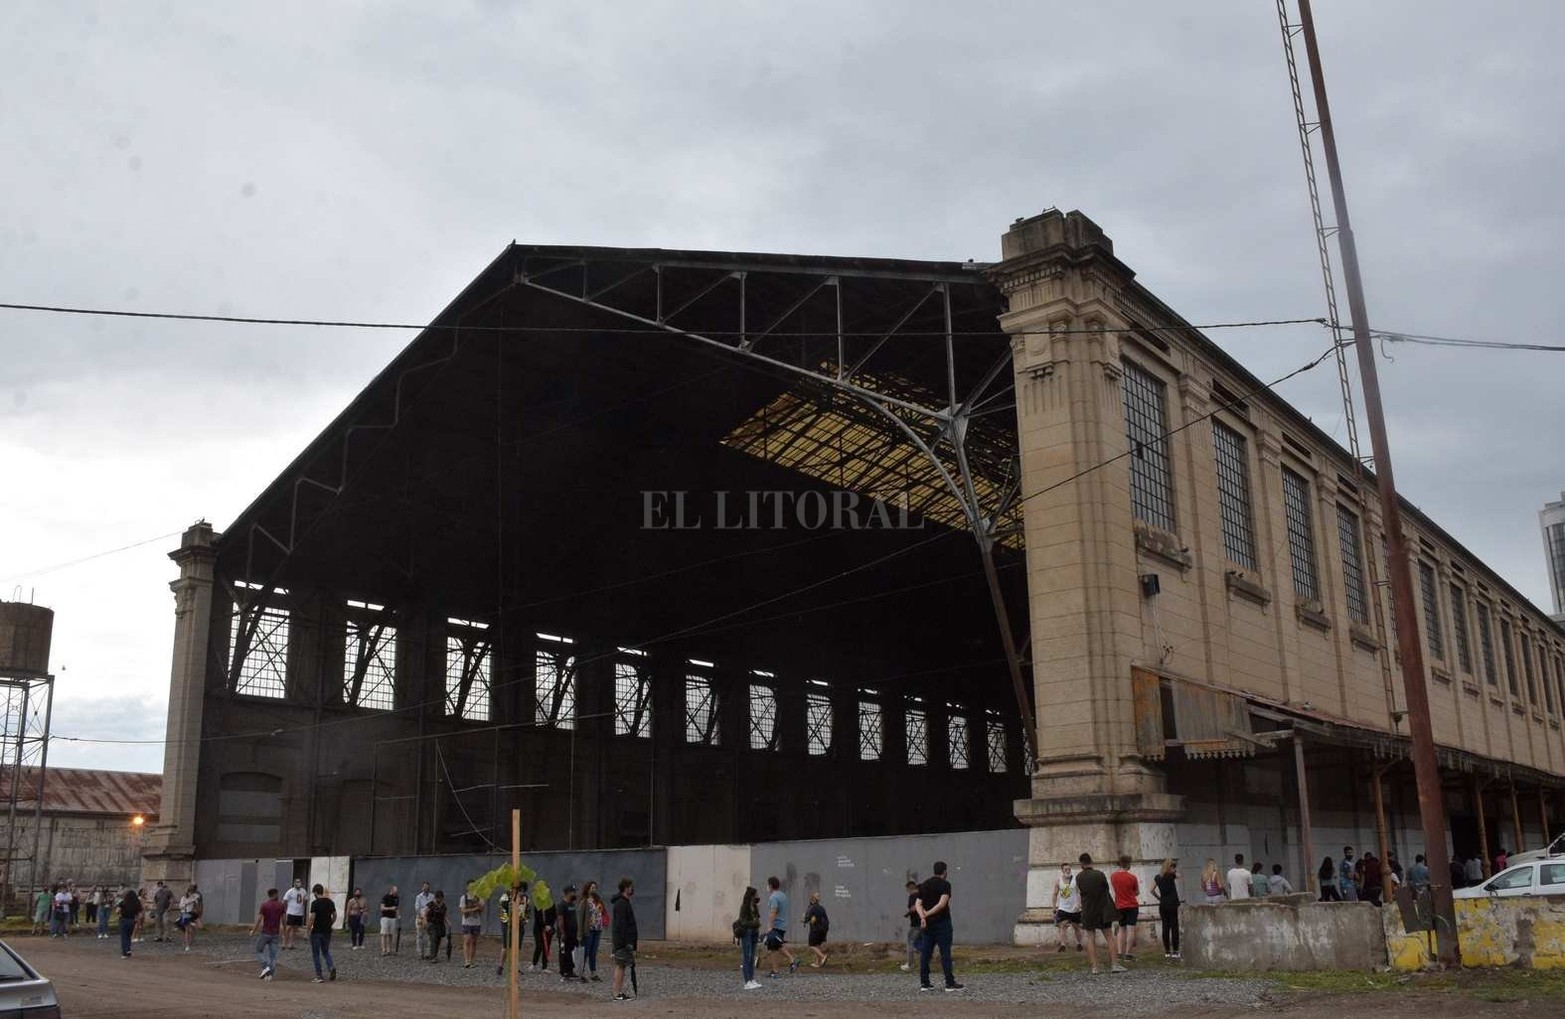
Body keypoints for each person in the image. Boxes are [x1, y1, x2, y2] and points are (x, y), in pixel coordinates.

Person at [915, 860, 964, 992]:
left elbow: (918, 904)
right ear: (944, 871)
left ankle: (924, 983)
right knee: (945, 953)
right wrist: (928, 914)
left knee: (926, 953)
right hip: (942, 923)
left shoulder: (924, 885)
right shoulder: (945, 884)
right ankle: (949, 983)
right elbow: (942, 904)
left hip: (928, 925)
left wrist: (923, 917)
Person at [1074, 853, 1123, 975]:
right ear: (1091, 861)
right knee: (1109, 937)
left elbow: (1081, 891)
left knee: (1090, 938)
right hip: (1102, 910)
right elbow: (1105, 888)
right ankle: (1114, 965)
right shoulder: (1099, 874)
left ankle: (1095, 967)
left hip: (1088, 911)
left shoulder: (1079, 877)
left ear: (1081, 864)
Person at [762, 875, 796, 978]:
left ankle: (776, 971)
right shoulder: (782, 895)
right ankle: (790, 961)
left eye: (768, 885)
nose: (767, 887)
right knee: (777, 946)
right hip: (783, 924)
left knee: (774, 948)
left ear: (771, 886)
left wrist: (769, 926)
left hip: (776, 925)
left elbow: (774, 911)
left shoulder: (773, 897)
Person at [610, 877, 638, 1002]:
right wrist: (626, 942)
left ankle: (618, 991)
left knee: (622, 966)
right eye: (631, 886)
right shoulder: (621, 904)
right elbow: (621, 925)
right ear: (626, 888)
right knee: (620, 966)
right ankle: (617, 993)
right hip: (622, 942)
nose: (632, 889)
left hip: (624, 942)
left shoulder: (625, 902)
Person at [1109, 855, 1139, 962]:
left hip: (1119, 905)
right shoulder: (1132, 877)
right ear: (1128, 864)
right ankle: (1128, 954)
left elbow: (1115, 889)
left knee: (1121, 929)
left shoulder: (1113, 876)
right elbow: (1137, 892)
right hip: (1131, 905)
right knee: (1131, 929)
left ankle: (1120, 953)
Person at [251, 887, 285, 979]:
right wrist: (284, 931)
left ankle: (265, 966)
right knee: (273, 955)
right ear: (275, 895)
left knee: (259, 950)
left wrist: (253, 931)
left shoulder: (264, 905)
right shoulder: (281, 905)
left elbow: (259, 919)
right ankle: (270, 975)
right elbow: (283, 920)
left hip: (265, 932)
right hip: (275, 933)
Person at [1151, 858, 1180, 960]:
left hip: (1163, 904)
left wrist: (1159, 898)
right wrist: (1174, 871)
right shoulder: (1172, 876)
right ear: (1170, 867)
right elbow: (1180, 876)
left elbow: (1151, 890)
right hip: (1172, 903)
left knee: (1165, 927)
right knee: (1174, 926)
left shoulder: (1158, 877)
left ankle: (1167, 951)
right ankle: (1175, 950)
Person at [308, 883, 337, 983]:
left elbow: (312, 918)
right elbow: (335, 915)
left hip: (316, 931)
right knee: (325, 951)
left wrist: (308, 929)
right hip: (327, 931)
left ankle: (319, 975)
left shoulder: (315, 903)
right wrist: (330, 923)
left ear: (315, 892)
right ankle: (331, 966)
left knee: (316, 954)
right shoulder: (330, 902)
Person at [1052, 862, 1083, 953]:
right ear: (1062, 870)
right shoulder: (1058, 881)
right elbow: (1054, 894)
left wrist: (1079, 904)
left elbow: (1080, 893)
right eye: (1066, 869)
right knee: (1062, 926)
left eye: (1069, 869)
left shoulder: (1075, 880)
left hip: (1075, 909)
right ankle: (1063, 945)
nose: (1068, 871)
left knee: (1076, 927)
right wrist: (1054, 907)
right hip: (1063, 908)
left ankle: (1079, 943)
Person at [735, 885, 762, 990]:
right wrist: (754, 923)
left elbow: (757, 917)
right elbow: (743, 921)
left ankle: (751, 979)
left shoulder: (754, 906)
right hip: (747, 932)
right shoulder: (744, 907)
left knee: (752, 957)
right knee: (747, 956)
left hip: (754, 932)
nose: (757, 896)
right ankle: (747, 981)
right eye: (755, 894)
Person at [583, 884, 607, 982]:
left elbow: (602, 911)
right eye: (592, 887)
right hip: (589, 928)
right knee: (586, 951)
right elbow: (584, 916)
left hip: (598, 928)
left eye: (595, 888)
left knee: (593, 952)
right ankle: (581, 971)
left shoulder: (598, 900)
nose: (594, 889)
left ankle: (593, 972)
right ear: (588, 889)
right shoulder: (585, 901)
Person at [557, 884, 581, 982]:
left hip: (572, 934)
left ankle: (570, 970)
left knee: (571, 952)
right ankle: (564, 972)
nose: (575, 894)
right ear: (568, 893)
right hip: (565, 934)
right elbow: (560, 920)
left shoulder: (572, 904)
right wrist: (563, 933)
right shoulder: (562, 905)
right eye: (573, 892)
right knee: (564, 952)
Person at [458, 879, 484, 968]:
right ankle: (466, 960)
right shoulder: (463, 898)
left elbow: (482, 909)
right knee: (467, 941)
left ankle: (471, 960)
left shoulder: (478, 897)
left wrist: (478, 904)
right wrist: (474, 909)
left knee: (474, 942)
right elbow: (462, 910)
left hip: (476, 922)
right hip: (466, 922)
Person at [803, 891, 830, 968]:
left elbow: (807, 918)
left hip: (815, 930)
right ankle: (817, 962)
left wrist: (803, 919)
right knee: (817, 945)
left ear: (812, 900)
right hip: (823, 930)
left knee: (811, 945)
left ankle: (823, 956)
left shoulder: (811, 908)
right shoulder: (822, 908)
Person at [530, 891, 555, 971]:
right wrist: (543, 926)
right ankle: (534, 963)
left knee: (547, 946)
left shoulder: (551, 904)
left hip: (549, 928)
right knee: (539, 945)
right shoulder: (537, 904)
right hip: (538, 928)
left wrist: (550, 926)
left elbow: (554, 916)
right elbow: (537, 917)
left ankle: (545, 966)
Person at [901, 880, 921, 971]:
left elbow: (914, 908)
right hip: (924, 922)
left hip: (915, 924)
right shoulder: (922, 895)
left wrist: (907, 913)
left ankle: (910, 964)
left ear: (910, 888)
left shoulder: (912, 896)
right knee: (922, 943)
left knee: (910, 942)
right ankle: (925, 961)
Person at [117, 885, 142, 959]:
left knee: (124, 937)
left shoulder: (123, 902)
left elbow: (117, 911)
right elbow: (139, 914)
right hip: (132, 920)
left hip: (124, 920)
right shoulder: (137, 903)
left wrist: (119, 913)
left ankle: (124, 953)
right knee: (128, 936)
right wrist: (138, 921)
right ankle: (128, 949)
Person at [282, 878, 308, 950]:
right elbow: (284, 901)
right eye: (297, 882)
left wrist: (302, 907)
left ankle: (291, 944)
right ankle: (284, 943)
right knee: (288, 928)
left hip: (299, 913)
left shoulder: (303, 891)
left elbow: (305, 900)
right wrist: (285, 909)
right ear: (294, 883)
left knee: (295, 929)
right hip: (291, 913)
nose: (298, 883)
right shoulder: (290, 891)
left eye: (299, 882)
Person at [425, 890, 449, 963]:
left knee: (438, 939)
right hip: (432, 923)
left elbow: (445, 915)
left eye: (441, 898)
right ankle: (433, 956)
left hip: (440, 924)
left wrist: (448, 922)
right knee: (433, 939)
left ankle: (435, 954)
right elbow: (425, 912)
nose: (439, 900)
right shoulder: (431, 904)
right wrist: (425, 922)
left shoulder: (443, 906)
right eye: (438, 898)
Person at [177, 884, 203, 951]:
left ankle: (192, 924)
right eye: (190, 892)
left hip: (192, 913)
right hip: (185, 914)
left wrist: (197, 909)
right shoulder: (183, 898)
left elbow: (197, 903)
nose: (191, 893)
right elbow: (180, 907)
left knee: (200, 926)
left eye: (192, 892)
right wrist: (186, 903)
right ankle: (187, 945)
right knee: (187, 930)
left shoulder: (194, 896)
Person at [414, 881, 435, 961]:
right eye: (424, 886)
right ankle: (420, 953)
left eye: (427, 886)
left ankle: (428, 953)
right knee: (420, 936)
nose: (426, 888)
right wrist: (422, 915)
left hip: (429, 918)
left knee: (430, 936)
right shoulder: (418, 897)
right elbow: (417, 908)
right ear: (422, 887)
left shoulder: (432, 897)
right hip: (420, 918)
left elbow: (433, 907)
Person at [379, 884, 399, 956]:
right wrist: (390, 908)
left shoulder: (396, 898)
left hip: (393, 917)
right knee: (384, 933)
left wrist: (398, 914)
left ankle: (389, 949)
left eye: (396, 892)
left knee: (391, 934)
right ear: (392, 890)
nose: (396, 893)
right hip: (385, 917)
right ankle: (383, 949)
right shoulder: (385, 897)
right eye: (395, 891)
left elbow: (396, 907)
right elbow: (382, 908)